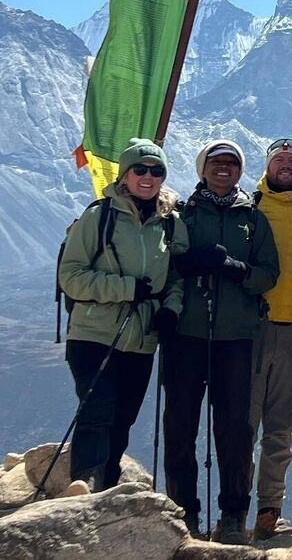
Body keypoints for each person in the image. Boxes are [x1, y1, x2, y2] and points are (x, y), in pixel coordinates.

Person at [165, 139, 280, 544]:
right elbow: (165, 263)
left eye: (232, 163)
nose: (224, 169)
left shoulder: (254, 217)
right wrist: (189, 263)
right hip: (185, 334)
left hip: (236, 335)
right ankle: (184, 514)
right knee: (180, 427)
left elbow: (269, 274)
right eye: (217, 163)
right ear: (203, 169)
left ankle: (233, 516)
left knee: (234, 429)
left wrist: (235, 269)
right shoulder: (181, 214)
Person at [58, 138, 188, 493]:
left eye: (156, 170)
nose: (148, 176)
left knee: (123, 420)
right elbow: (71, 277)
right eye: (140, 169)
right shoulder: (98, 217)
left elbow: (177, 277)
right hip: (92, 334)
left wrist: (170, 310)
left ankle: (106, 487)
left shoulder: (171, 223)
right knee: (97, 411)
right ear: (125, 174)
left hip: (142, 338)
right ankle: (83, 486)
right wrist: (127, 289)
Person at [247, 138, 292, 540]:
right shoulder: (250, 205)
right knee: (243, 427)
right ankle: (234, 510)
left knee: (279, 430)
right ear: (269, 167)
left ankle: (268, 515)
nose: (286, 165)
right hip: (251, 329)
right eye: (279, 160)